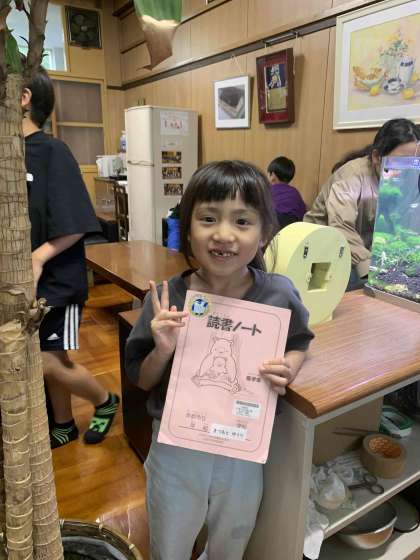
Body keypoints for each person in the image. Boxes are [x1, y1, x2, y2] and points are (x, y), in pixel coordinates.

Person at [125, 160, 314, 560]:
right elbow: (141, 379)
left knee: (233, 538)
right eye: (208, 218)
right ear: (187, 229)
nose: (224, 234)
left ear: (264, 233)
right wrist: (162, 349)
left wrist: (291, 366)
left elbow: (300, 341)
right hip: (176, 447)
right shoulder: (166, 299)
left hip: (242, 446)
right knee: (170, 542)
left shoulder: (278, 294)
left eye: (242, 221)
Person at [22, 66, 119, 449]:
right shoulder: (11, 153)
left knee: (45, 359)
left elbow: (78, 222)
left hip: (57, 280)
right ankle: (63, 424)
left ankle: (104, 400)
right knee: (54, 356)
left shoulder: (52, 151)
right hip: (28, 280)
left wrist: (37, 258)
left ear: (23, 98)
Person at [304, 118, 420, 289]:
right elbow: (341, 226)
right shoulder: (351, 176)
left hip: (359, 254)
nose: (407, 170)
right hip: (320, 253)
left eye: (414, 162)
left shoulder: (402, 180)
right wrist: (372, 269)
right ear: (377, 157)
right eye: (400, 162)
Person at [267, 156, 306, 230]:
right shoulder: (295, 193)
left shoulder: (267, 191)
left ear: (272, 176)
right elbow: (303, 214)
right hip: (292, 231)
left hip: (272, 230)